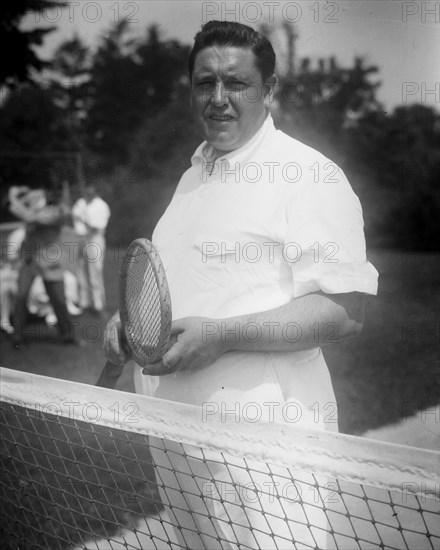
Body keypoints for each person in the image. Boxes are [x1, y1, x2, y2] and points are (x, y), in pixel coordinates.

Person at [104, 21, 378, 549]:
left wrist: (222, 335)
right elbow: (189, 284)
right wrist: (132, 322)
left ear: (268, 90)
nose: (219, 99)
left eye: (237, 84)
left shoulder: (308, 175)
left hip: (263, 456)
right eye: (205, 83)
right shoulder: (192, 178)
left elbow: (344, 311)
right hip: (177, 438)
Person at [9, 185, 80, 347]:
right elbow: (18, 210)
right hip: (29, 261)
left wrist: (14, 196)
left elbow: (29, 216)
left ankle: (68, 335)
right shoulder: (35, 212)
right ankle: (17, 337)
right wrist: (17, 197)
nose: (31, 202)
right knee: (20, 297)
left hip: (50, 263)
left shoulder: (55, 213)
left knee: (59, 301)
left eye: (34, 199)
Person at [72, 183, 110, 315]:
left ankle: (99, 305)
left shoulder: (102, 206)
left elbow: (95, 228)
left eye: (91, 189)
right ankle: (84, 302)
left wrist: (83, 218)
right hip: (80, 239)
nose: (88, 191)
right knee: (80, 271)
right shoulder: (81, 202)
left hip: (95, 240)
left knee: (95, 272)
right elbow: (72, 216)